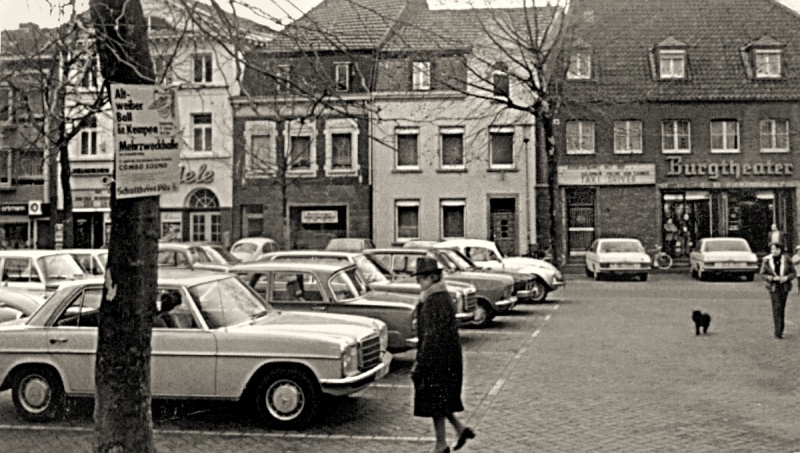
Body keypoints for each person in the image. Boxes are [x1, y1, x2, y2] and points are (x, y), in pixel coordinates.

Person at [411, 257, 475, 453]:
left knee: (436, 400)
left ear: (432, 277)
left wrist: (420, 364)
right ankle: (456, 431)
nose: (418, 283)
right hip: (444, 358)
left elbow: (432, 335)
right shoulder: (437, 297)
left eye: (421, 279)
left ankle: (441, 444)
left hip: (439, 360)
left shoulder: (435, 300)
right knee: (438, 401)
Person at [760, 242, 796, 339]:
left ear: (781, 250)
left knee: (782, 307)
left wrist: (786, 277)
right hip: (773, 287)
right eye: (772, 249)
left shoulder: (787, 259)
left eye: (776, 249)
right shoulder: (767, 260)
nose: (774, 251)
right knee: (777, 307)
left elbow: (793, 273)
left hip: (784, 286)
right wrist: (771, 278)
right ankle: (778, 331)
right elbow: (762, 274)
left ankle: (780, 328)